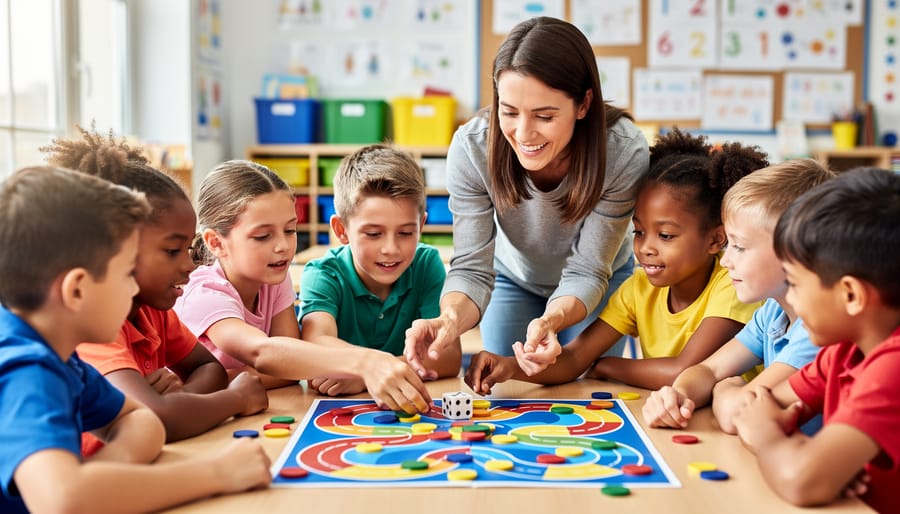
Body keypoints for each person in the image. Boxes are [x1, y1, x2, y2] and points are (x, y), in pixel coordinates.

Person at [0, 166, 270, 514]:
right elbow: (64, 501)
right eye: (127, 273)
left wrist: (96, 481)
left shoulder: (62, 359)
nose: (133, 289)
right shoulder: (25, 369)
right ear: (77, 290)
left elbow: (142, 422)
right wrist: (216, 473)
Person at [404, 16, 650, 380]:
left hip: (603, 279)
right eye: (509, 111)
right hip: (514, 278)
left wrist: (552, 317)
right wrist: (450, 320)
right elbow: (471, 266)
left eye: (545, 116)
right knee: (509, 388)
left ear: (583, 104)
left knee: (587, 388)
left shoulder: (622, 151)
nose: (523, 133)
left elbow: (589, 269)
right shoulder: (472, 148)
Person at [465, 129, 768, 394]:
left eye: (665, 235)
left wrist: (610, 366)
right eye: (639, 231)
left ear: (715, 240)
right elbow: (573, 359)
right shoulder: (638, 289)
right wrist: (508, 366)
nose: (645, 248)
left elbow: (685, 370)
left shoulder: (731, 286)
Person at [42, 127, 268, 454]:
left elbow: (209, 370)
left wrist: (177, 401)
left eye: (188, 249)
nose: (190, 265)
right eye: (172, 251)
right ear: (119, 250)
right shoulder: (90, 326)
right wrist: (235, 399)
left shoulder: (151, 310)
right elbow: (156, 418)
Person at [173, 160, 430, 414]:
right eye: (263, 236)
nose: (283, 246)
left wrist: (230, 378)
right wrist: (366, 362)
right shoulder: (203, 292)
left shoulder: (273, 278)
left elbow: (289, 371)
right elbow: (264, 353)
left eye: (290, 230)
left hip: (241, 409)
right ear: (216, 243)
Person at [732, 168, 900, 511]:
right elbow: (748, 407)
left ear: (851, 294)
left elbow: (801, 481)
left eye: (793, 283)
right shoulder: (841, 352)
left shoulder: (893, 366)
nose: (789, 300)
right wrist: (805, 456)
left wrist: (773, 438)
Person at [642, 159, 834, 433]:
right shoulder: (773, 312)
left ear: (796, 253)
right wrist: (677, 396)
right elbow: (707, 371)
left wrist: (727, 387)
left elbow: (739, 416)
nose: (725, 261)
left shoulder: (817, 330)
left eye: (740, 247)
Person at [299, 145, 462, 397]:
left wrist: (365, 375)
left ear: (421, 225)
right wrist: (369, 369)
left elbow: (448, 357)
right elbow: (316, 344)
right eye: (374, 234)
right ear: (341, 230)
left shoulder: (426, 263)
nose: (391, 249)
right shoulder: (323, 274)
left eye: (406, 233)